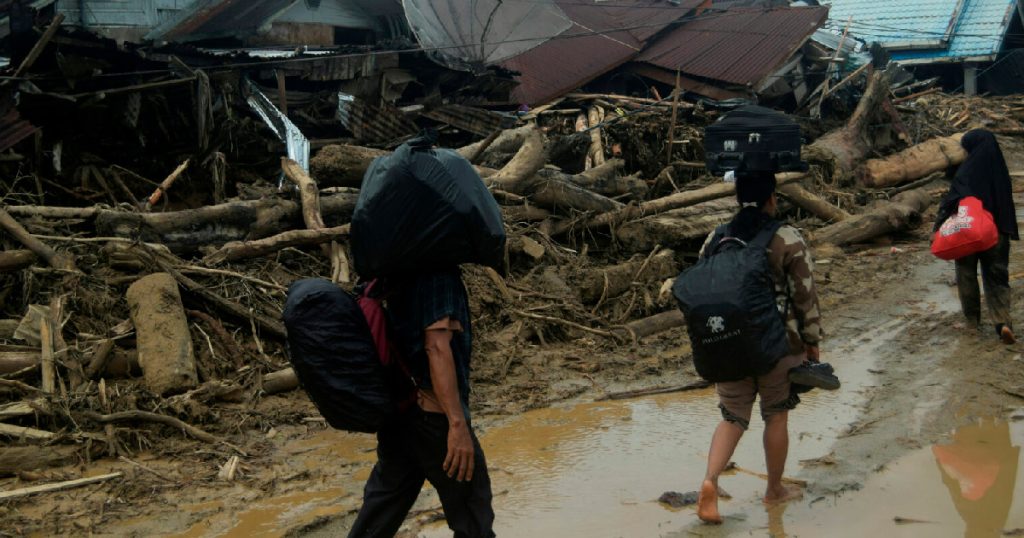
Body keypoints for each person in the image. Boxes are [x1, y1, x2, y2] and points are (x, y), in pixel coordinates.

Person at [694, 170, 824, 524]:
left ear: (737, 198)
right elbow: (805, 294)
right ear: (772, 198)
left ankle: (709, 481)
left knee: (733, 416)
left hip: (727, 344)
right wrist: (812, 342)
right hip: (777, 344)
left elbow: (705, 289)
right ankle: (774, 490)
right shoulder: (786, 237)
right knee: (775, 414)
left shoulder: (716, 238)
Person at [348, 268, 495, 538]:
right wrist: (457, 424)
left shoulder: (388, 273)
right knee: (474, 518)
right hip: (434, 420)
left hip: (398, 415)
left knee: (377, 519)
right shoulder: (438, 276)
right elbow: (437, 347)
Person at [935, 129, 1018, 344]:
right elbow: (1006, 206)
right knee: (997, 277)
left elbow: (951, 201)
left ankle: (972, 322)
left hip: (968, 232)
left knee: (966, 274)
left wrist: (938, 227)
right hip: (996, 233)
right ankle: (1003, 323)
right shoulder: (1000, 172)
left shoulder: (966, 171)